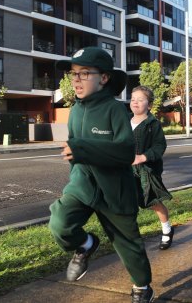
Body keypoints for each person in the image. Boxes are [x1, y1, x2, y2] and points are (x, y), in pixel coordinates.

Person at [48, 47, 154, 303]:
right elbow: (76, 153)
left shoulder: (115, 110)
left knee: (129, 245)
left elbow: (125, 151)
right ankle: (85, 244)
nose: (76, 80)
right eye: (73, 74)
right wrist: (76, 173)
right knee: (59, 222)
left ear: (103, 78)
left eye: (84, 73)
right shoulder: (74, 111)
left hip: (114, 190)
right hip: (82, 185)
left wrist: (83, 150)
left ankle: (142, 288)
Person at [130, 85, 174, 250]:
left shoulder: (152, 123)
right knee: (129, 203)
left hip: (147, 171)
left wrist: (142, 157)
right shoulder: (125, 120)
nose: (135, 102)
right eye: (133, 99)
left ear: (149, 105)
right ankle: (131, 237)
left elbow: (159, 146)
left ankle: (167, 230)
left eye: (140, 100)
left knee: (151, 202)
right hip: (127, 171)